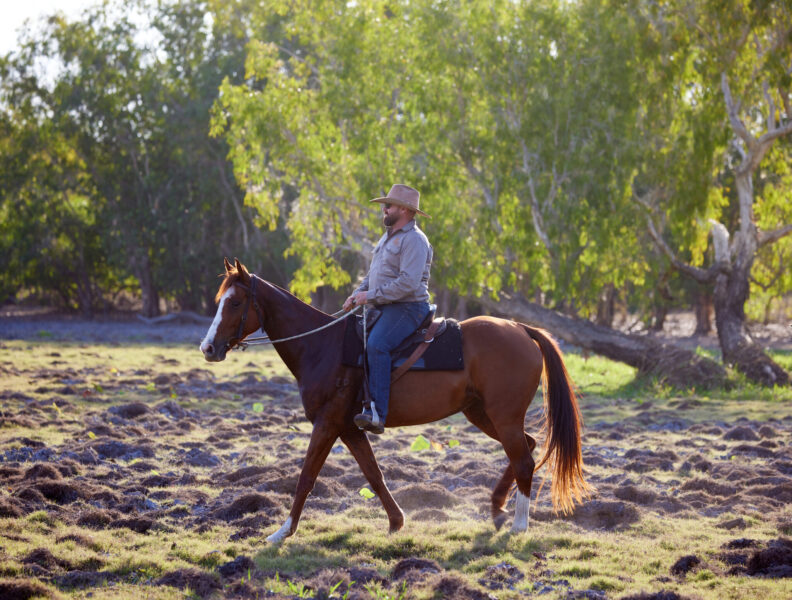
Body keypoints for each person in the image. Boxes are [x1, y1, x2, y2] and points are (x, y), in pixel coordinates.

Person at [342, 184, 433, 434]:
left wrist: (369, 296)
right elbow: (373, 275)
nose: (384, 209)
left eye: (388, 205)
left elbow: (407, 283)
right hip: (385, 305)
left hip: (408, 307)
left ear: (404, 210)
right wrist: (356, 294)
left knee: (377, 344)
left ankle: (377, 412)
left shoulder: (415, 240)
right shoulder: (388, 237)